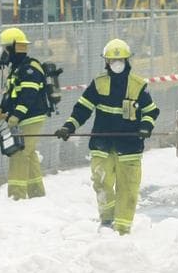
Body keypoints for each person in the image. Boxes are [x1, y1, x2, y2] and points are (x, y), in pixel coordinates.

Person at [54, 38, 160, 234]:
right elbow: (82, 109)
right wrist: (69, 127)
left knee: (128, 190)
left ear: (127, 61)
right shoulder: (99, 84)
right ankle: (107, 221)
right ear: (106, 63)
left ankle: (121, 229)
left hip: (129, 147)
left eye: (119, 61)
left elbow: (151, 111)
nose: (116, 64)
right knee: (101, 182)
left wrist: (145, 127)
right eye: (112, 61)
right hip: (102, 144)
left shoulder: (137, 86)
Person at [0, 27, 49, 199]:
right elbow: (11, 95)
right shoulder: (17, 69)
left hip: (32, 118)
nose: (2, 54)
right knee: (28, 153)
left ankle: (16, 196)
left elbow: (28, 97)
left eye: (4, 49)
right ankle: (37, 193)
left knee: (19, 152)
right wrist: (1, 109)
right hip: (23, 117)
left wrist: (16, 115)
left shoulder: (30, 69)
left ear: (15, 48)